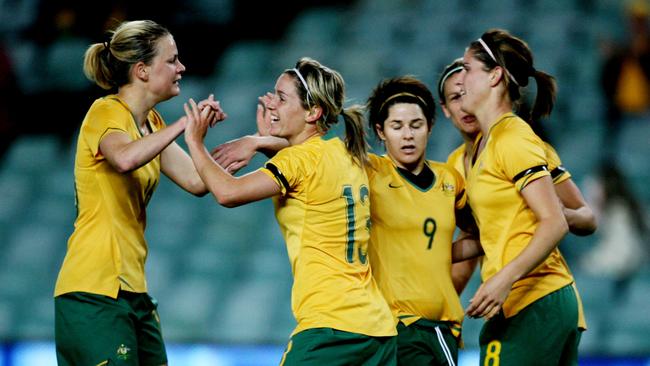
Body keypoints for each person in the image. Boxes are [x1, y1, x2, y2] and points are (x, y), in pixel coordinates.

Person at [184, 57, 397, 365]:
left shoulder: (297, 162)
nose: (273, 105)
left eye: (282, 98)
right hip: (376, 328)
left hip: (331, 327)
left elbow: (228, 193)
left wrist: (194, 140)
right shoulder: (342, 152)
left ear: (313, 111)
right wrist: (259, 141)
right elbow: (306, 162)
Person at [53, 20, 224, 366]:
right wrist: (184, 125)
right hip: (94, 290)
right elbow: (125, 157)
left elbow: (198, 181)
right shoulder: (105, 112)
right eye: (172, 60)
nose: (182, 68)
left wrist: (250, 145)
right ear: (142, 70)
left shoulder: (152, 124)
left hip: (133, 291)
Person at [458, 29, 586, 365]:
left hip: (531, 302)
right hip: (536, 302)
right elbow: (503, 231)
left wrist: (504, 279)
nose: (461, 78)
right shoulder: (490, 142)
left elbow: (555, 221)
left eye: (468, 68)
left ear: (495, 76)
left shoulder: (512, 138)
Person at [439, 58, 597, 239]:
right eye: (456, 97)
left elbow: (587, 217)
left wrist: (556, 216)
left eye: (471, 93)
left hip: (539, 266)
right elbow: (479, 237)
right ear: (445, 108)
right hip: (498, 266)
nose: (465, 106)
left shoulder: (519, 143)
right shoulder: (454, 164)